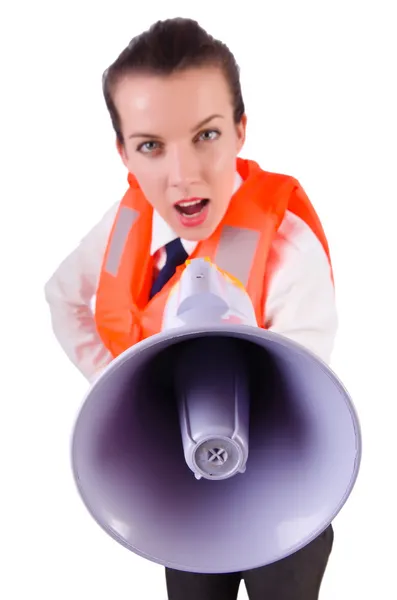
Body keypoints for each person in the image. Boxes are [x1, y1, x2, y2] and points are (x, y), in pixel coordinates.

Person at [45, 17, 337, 600]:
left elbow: (299, 399)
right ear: (124, 151)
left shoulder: (287, 246)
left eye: (205, 135)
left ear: (239, 130)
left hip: (280, 502)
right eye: (151, 145)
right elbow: (63, 297)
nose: (183, 177)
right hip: (185, 495)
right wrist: (124, 386)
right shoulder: (127, 222)